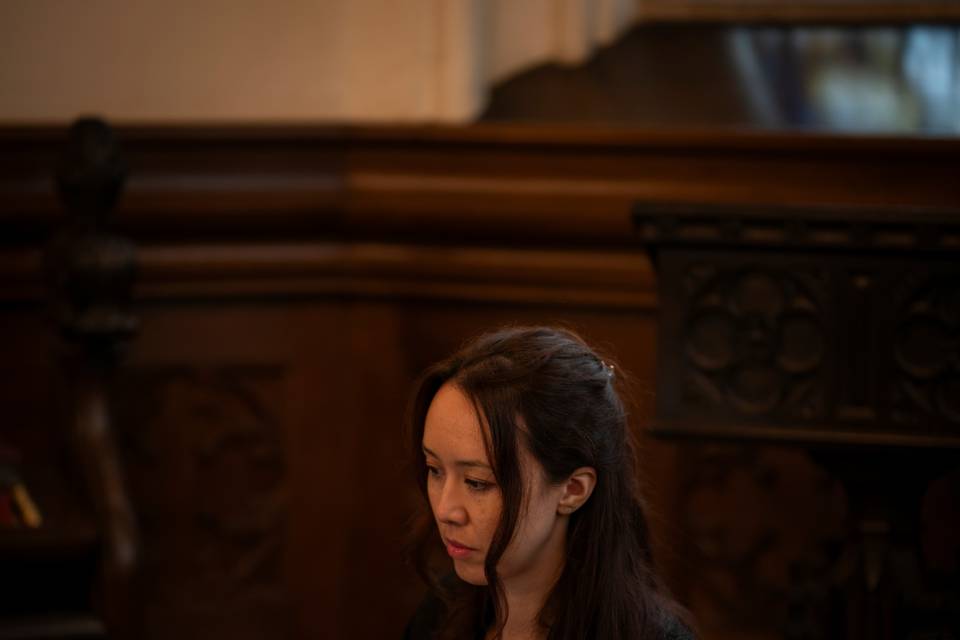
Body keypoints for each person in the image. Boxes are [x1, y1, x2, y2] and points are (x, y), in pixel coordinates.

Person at [403, 326, 695, 640]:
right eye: (435, 469)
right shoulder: (442, 611)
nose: (446, 510)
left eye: (477, 482)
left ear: (573, 489)